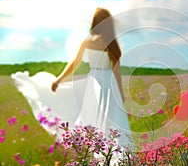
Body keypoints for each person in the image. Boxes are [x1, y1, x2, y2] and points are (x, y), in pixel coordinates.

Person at [12, 8, 133, 149]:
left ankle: (95, 156)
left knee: (93, 121)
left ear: (95, 23)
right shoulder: (112, 44)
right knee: (113, 123)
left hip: (93, 83)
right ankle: (116, 159)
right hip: (109, 85)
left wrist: (59, 80)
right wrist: (121, 95)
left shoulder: (88, 42)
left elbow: (74, 65)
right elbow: (116, 71)